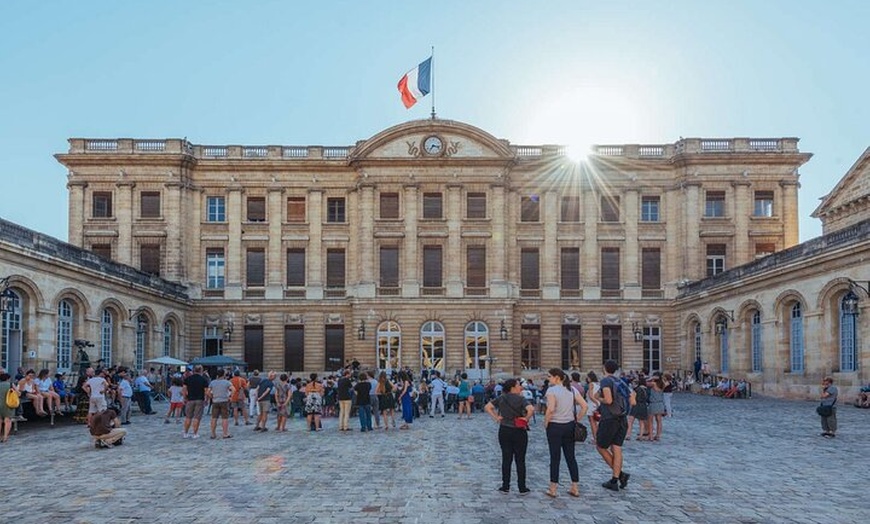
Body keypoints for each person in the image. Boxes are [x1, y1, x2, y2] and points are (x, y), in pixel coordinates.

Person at [485, 378, 534, 495]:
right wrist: (526, 419)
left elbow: (487, 407)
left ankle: (505, 486)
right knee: (520, 459)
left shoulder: (502, 398)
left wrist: (496, 417)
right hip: (519, 430)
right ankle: (522, 487)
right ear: (513, 387)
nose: (520, 387)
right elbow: (531, 409)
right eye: (518, 385)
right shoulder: (521, 399)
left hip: (505, 429)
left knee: (506, 458)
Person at [543, 368, 587, 498]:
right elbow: (584, 406)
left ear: (557, 377)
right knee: (570, 457)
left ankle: (553, 488)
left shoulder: (551, 390)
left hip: (555, 426)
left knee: (555, 457)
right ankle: (575, 487)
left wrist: (546, 422)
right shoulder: (572, 390)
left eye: (550, 376)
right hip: (569, 426)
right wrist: (577, 418)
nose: (548, 378)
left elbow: (550, 409)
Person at [594, 359, 636, 491]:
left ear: (604, 368)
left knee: (601, 447)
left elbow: (608, 400)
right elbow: (632, 400)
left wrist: (597, 398)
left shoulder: (606, 381)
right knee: (617, 448)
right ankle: (615, 478)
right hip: (622, 418)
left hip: (609, 419)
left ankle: (619, 475)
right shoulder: (621, 381)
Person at [182, 365, 210, 439]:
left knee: (188, 417)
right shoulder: (203, 379)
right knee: (197, 417)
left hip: (190, 399)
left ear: (194, 370)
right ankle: (195, 433)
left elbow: (184, 389)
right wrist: (206, 400)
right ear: (201, 370)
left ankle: (185, 433)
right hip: (199, 400)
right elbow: (206, 391)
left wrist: (184, 398)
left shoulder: (188, 379)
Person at [207, 369, 234, 439]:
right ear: (224, 374)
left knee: (214, 418)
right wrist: (230, 397)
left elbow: (208, 392)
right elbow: (233, 389)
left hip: (215, 401)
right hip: (224, 401)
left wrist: (211, 397)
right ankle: (225, 433)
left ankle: (213, 434)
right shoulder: (227, 382)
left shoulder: (212, 382)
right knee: (225, 418)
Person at [1, 372, 18, 443]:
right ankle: (5, 437)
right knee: (7, 421)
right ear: (8, 378)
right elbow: (18, 393)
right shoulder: (11, 385)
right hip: (8, 404)